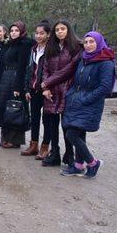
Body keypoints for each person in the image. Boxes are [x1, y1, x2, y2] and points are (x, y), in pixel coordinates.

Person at [60, 31, 115, 178]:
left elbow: (105, 87)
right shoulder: (84, 59)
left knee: (71, 134)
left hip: (90, 103)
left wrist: (86, 99)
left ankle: (92, 162)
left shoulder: (106, 62)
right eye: (86, 42)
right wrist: (71, 94)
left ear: (99, 43)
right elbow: (75, 80)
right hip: (76, 100)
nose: (89, 45)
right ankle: (79, 166)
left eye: (92, 42)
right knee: (79, 134)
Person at [41, 20, 81, 167]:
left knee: (66, 124)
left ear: (68, 30)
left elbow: (69, 70)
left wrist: (47, 83)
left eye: (62, 29)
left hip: (66, 89)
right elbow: (45, 68)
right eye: (57, 30)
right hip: (50, 91)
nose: (59, 32)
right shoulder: (51, 47)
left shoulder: (76, 47)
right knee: (51, 124)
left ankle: (69, 155)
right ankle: (55, 153)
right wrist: (45, 88)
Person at [0, 21, 33, 148]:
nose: (13, 33)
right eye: (12, 31)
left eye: (16, 30)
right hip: (6, 77)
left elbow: (22, 67)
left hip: (16, 79)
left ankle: (14, 140)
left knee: (15, 109)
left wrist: (17, 86)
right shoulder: (11, 44)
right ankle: (6, 137)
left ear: (21, 31)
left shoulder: (24, 44)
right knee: (5, 108)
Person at [22, 20, 51, 158]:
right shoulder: (33, 49)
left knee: (47, 120)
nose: (39, 36)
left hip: (46, 91)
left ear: (48, 34)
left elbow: (52, 71)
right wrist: (27, 88)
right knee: (34, 118)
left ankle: (45, 147)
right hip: (33, 90)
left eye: (42, 33)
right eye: (37, 33)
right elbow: (30, 70)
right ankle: (33, 145)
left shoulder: (51, 50)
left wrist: (47, 86)